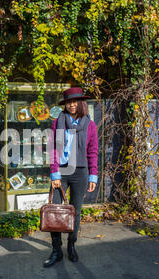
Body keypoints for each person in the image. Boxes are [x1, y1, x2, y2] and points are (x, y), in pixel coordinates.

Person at [44, 87, 99, 268]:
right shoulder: (58, 122)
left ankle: (71, 245)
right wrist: (55, 173)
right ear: (65, 104)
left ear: (81, 103)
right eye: (69, 102)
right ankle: (56, 250)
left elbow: (92, 152)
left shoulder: (89, 126)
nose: (72, 105)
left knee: (75, 211)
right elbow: (53, 149)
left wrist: (93, 176)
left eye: (75, 101)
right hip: (61, 172)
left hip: (80, 172)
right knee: (55, 210)